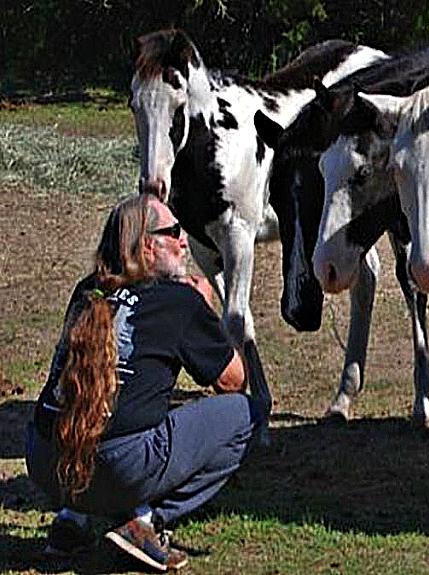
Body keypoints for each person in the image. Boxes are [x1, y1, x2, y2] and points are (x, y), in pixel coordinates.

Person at [25, 193, 261, 571]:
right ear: (148, 246)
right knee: (246, 414)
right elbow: (233, 381)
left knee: (93, 403)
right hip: (119, 467)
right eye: (175, 232)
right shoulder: (179, 301)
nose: (184, 241)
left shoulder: (88, 289)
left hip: (44, 460)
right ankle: (144, 519)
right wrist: (206, 312)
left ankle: (72, 518)